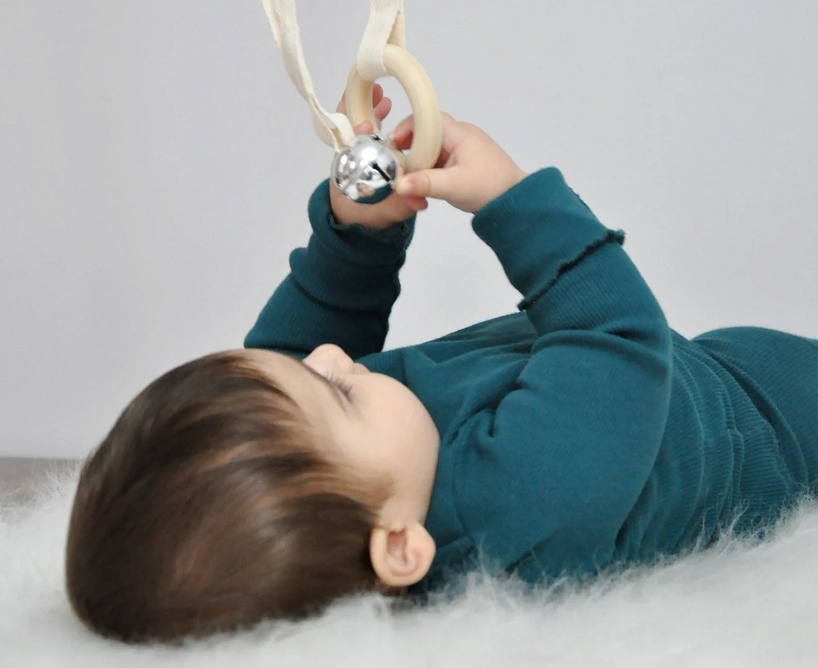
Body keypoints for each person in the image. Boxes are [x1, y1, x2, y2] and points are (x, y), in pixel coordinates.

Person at [65, 85, 818, 643]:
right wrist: (513, 202)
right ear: (401, 547)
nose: (331, 356)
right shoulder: (516, 509)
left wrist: (355, 231)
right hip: (771, 417)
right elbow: (616, 336)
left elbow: (286, 362)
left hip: (707, 372)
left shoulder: (374, 481)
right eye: (341, 395)